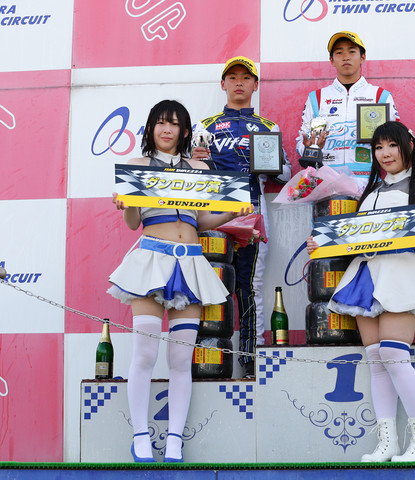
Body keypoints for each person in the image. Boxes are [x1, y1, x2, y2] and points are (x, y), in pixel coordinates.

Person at [108, 100, 250, 463]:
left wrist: (233, 212)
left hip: (190, 264)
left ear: (185, 131)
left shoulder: (198, 169)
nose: (166, 129)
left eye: (173, 123)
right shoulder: (137, 166)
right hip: (151, 260)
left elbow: (200, 221)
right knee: (144, 354)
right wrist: (128, 204)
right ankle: (140, 436)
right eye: (160, 123)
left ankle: (174, 440)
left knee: (181, 358)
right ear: (150, 128)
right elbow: (132, 224)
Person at [307, 122, 415, 462]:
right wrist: (321, 244)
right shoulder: (369, 192)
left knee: (394, 355)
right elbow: (352, 237)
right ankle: (388, 443)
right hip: (366, 274)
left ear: (408, 147)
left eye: (392, 145)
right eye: (379, 147)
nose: (385, 153)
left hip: (401, 272)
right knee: (376, 360)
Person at [193, 55, 290, 378]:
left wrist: (270, 162)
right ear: (223, 84)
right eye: (232, 77)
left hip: (252, 215)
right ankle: (208, 358)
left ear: (255, 85)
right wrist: (195, 159)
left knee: (250, 287)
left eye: (245, 77)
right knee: (210, 285)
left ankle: (250, 358)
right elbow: (185, 175)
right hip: (214, 218)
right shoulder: (204, 126)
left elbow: (287, 174)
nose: (239, 82)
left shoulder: (267, 127)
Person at [296, 31, 400, 184]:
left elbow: (396, 142)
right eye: (339, 52)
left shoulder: (380, 96)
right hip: (324, 184)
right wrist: (309, 148)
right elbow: (301, 141)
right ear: (331, 60)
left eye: (352, 51)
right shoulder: (316, 98)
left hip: (367, 183)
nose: (346, 57)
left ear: (362, 57)